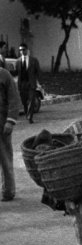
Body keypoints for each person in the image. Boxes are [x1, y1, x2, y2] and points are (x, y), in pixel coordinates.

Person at [0, 66, 22, 201]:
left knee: (5, 159)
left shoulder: (4, 75)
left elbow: (14, 99)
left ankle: (8, 191)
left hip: (1, 125)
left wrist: (10, 121)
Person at [15, 43, 40, 124]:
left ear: (27, 50)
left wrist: (38, 82)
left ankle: (30, 117)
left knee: (31, 100)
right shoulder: (18, 61)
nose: (22, 51)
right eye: (20, 50)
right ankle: (27, 114)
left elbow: (38, 72)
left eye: (23, 50)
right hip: (22, 84)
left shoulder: (33, 60)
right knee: (24, 101)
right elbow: (16, 72)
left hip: (31, 83)